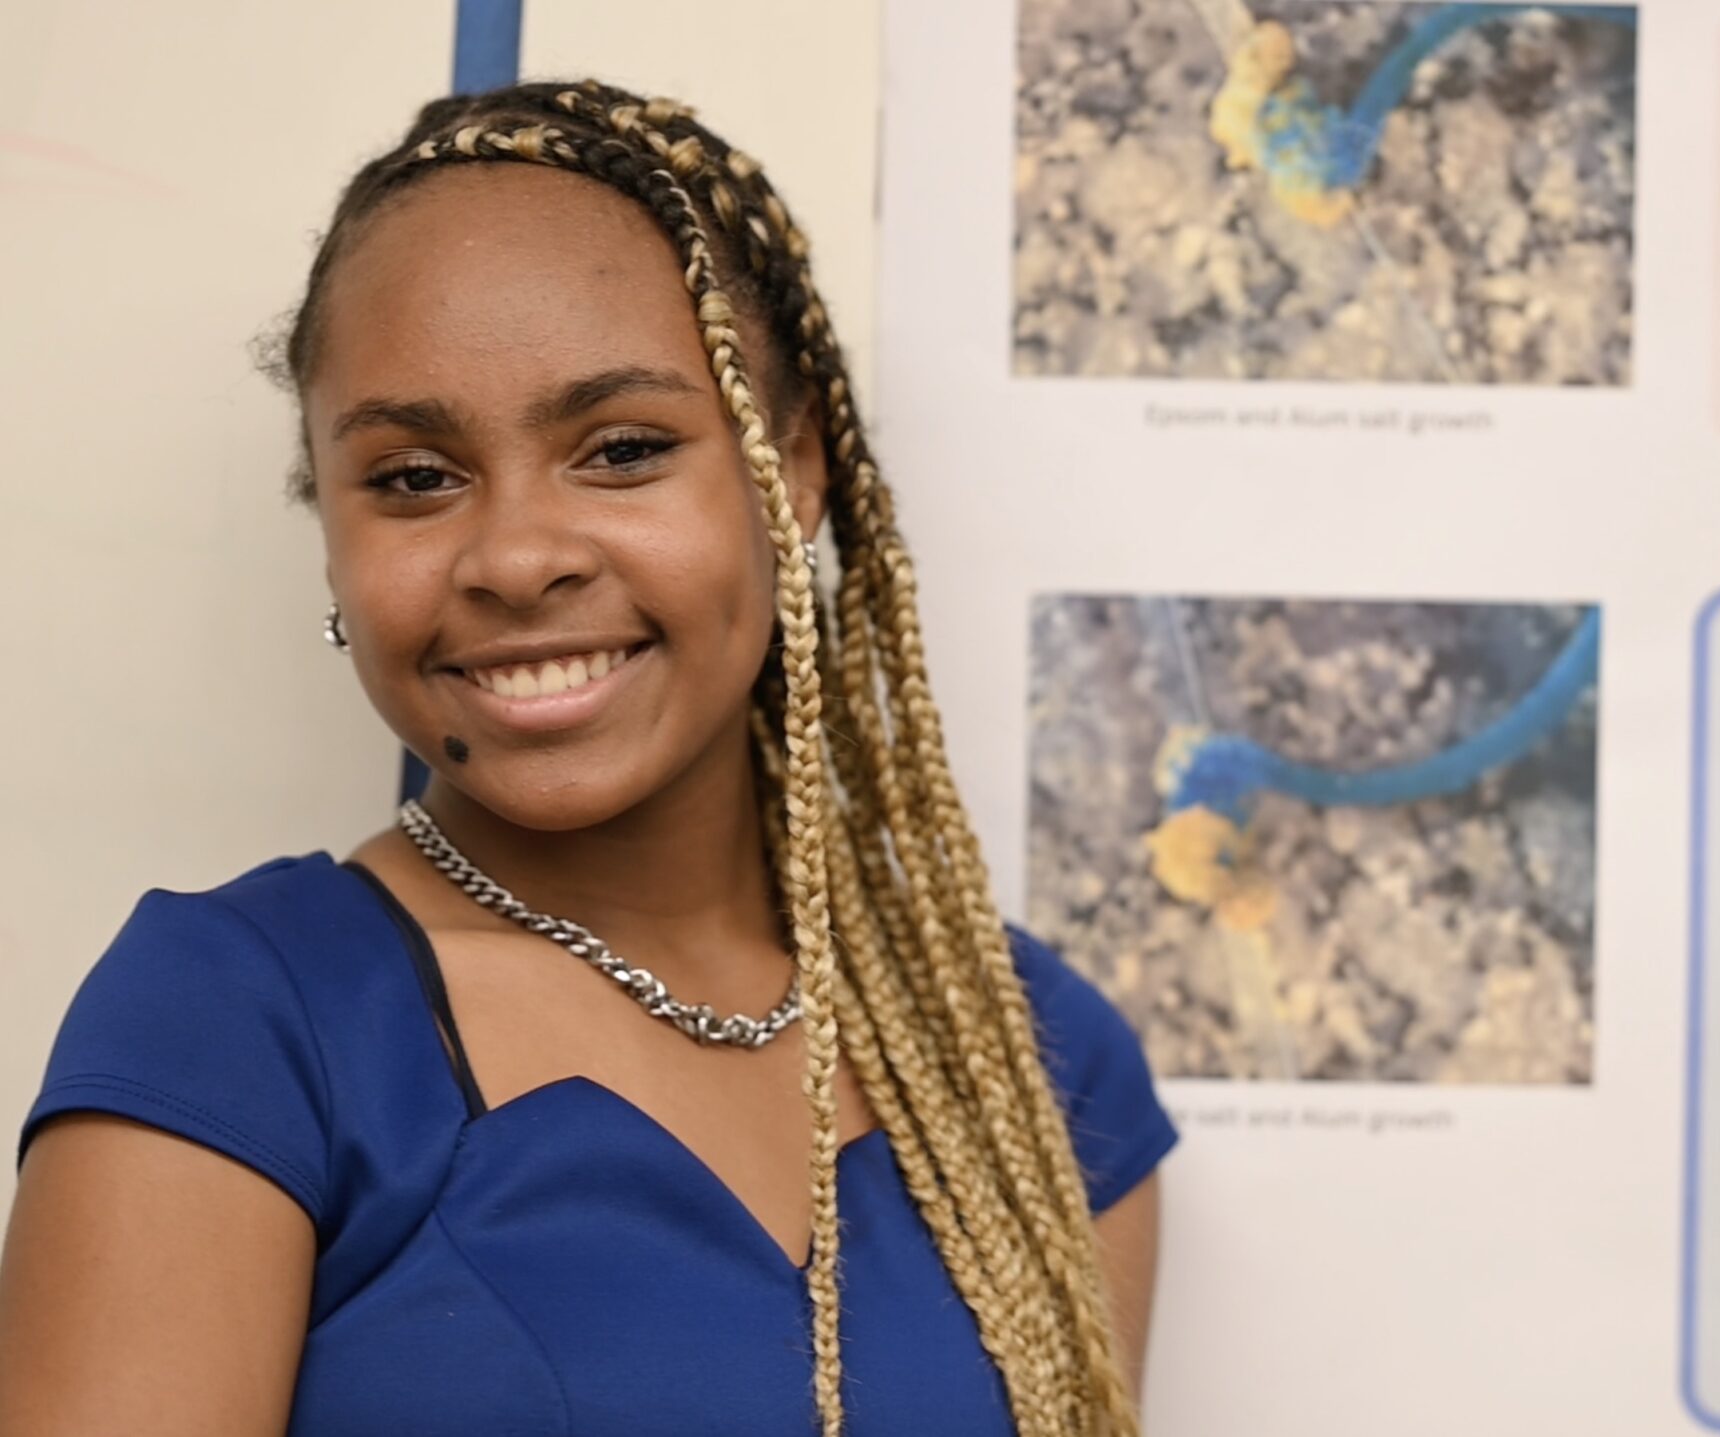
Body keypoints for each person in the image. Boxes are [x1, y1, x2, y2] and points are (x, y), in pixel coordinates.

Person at [0, 80, 1174, 1437]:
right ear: (331, 526)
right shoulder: (237, 1029)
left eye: (621, 449)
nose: (515, 557)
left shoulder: (1033, 1063)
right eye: (413, 477)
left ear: (788, 472)